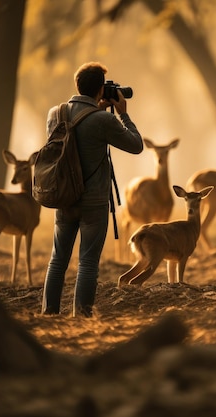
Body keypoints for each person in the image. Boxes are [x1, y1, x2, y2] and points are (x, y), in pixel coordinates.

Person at [41, 62, 143, 317]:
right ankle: (82, 316)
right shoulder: (104, 119)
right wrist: (123, 114)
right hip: (94, 201)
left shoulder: (55, 113)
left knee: (58, 259)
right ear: (101, 89)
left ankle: (49, 313)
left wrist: (96, 110)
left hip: (64, 195)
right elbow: (136, 145)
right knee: (87, 262)